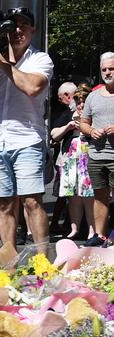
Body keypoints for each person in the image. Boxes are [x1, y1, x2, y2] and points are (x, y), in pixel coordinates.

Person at [0, 6, 54, 249]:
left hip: (27, 139)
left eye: (23, 24)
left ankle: (42, 261)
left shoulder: (39, 59)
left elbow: (32, 87)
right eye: (11, 26)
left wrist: (3, 62)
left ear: (33, 29)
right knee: (3, 205)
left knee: (32, 202)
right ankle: (9, 262)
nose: (17, 30)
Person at [80, 52, 114, 246]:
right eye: (104, 69)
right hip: (96, 155)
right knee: (99, 195)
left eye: (111, 68)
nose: (108, 72)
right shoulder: (93, 96)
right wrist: (91, 131)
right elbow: (83, 123)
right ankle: (100, 235)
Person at [52, 85, 95, 241]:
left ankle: (92, 230)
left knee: (88, 195)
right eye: (79, 101)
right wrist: (68, 126)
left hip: (88, 157)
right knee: (73, 196)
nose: (81, 105)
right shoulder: (68, 115)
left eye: (84, 101)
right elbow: (54, 134)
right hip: (70, 159)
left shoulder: (93, 115)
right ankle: (74, 228)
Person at [49, 81, 78, 235]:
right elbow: (54, 134)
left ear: (67, 96)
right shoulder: (67, 114)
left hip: (78, 158)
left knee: (70, 193)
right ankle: (62, 223)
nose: (61, 102)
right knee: (66, 192)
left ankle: (68, 223)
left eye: (61, 98)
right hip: (67, 158)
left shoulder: (75, 110)